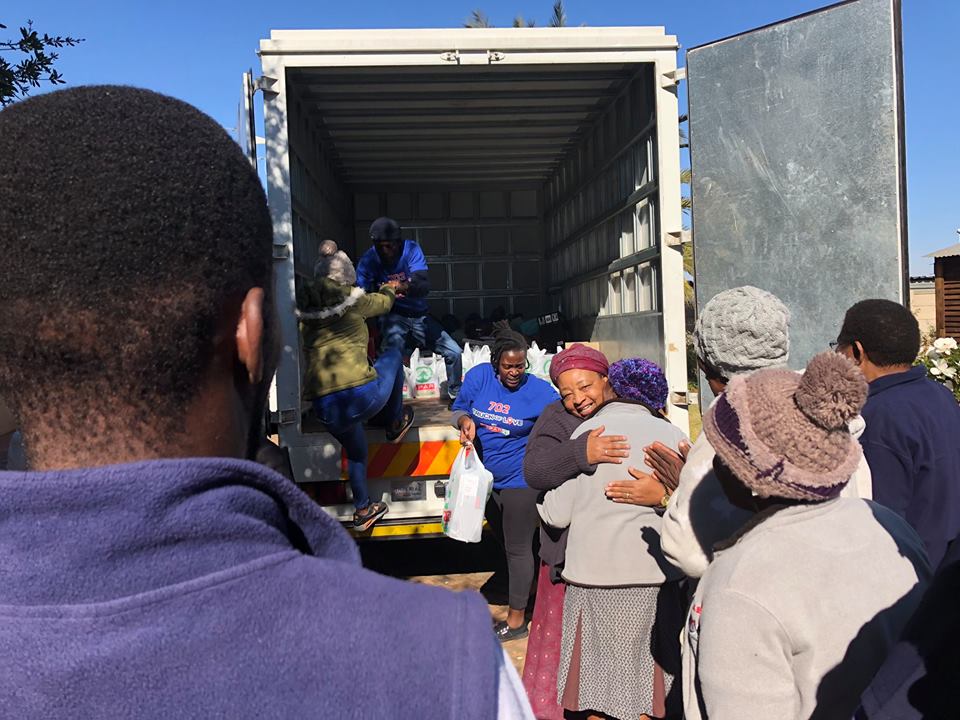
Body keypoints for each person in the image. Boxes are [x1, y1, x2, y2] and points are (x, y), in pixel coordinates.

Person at [0, 86, 531, 719]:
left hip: (334, 404)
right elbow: (389, 303)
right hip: (362, 388)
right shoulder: (449, 660)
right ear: (251, 334)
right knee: (394, 357)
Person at [683, 352, 929, 720]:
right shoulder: (889, 527)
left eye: (724, 458)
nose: (716, 470)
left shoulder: (741, 583)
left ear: (752, 479)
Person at [660, 286, 872, 579]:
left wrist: (679, 492)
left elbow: (688, 553)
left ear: (706, 364)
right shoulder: (824, 407)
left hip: (757, 596)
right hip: (838, 586)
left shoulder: (731, 422)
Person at [521, 346, 677, 720]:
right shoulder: (672, 435)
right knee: (646, 685)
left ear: (611, 384)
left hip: (593, 583)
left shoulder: (591, 433)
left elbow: (557, 514)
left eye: (584, 387)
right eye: (567, 393)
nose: (577, 400)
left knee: (596, 688)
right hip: (655, 579)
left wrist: (543, 502)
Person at [833, 298, 960, 568]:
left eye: (838, 349)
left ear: (856, 352)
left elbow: (880, 519)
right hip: (947, 569)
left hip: (911, 581)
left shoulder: (873, 419)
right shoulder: (941, 396)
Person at [298, 239, 415, 531]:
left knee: (357, 451)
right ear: (345, 275)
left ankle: (363, 510)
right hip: (360, 396)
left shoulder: (305, 308)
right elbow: (385, 303)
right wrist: (392, 287)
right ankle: (394, 421)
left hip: (326, 408)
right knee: (391, 356)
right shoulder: (353, 298)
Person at [452, 329, 559, 642]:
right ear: (495, 362)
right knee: (505, 541)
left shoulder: (540, 392)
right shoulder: (478, 378)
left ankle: (516, 621)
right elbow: (459, 408)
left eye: (520, 366)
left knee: (518, 548)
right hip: (484, 480)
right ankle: (531, 590)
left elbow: (564, 421)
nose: (514, 373)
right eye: (508, 366)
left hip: (520, 481)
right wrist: (464, 422)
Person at [357, 217, 463, 404]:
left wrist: (400, 286)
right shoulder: (369, 260)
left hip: (419, 315)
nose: (386, 251)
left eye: (390, 246)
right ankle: (388, 404)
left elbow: (422, 285)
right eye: (381, 246)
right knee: (390, 359)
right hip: (393, 317)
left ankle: (457, 396)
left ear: (398, 242)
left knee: (453, 351)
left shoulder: (411, 249)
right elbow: (360, 296)